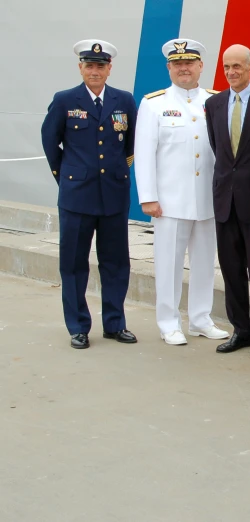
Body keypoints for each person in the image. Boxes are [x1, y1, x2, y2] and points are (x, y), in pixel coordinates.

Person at [41, 40, 138, 349]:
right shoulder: (64, 100)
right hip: (76, 196)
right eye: (89, 65)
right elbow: (49, 142)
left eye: (101, 66)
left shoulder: (124, 100)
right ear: (80, 67)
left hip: (113, 193)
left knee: (116, 263)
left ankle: (114, 323)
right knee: (73, 263)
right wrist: (68, 177)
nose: (95, 71)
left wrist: (118, 172)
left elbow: (130, 143)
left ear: (109, 69)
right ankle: (78, 326)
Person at [134, 39, 228, 346]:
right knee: (168, 265)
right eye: (177, 64)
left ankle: (200, 319)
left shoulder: (216, 100)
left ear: (201, 66)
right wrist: (148, 196)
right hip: (170, 201)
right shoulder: (154, 103)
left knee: (203, 263)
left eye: (189, 63)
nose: (183, 68)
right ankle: (168, 321)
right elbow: (144, 153)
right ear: (169, 68)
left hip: (207, 199)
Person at [204, 45, 250, 357]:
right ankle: (241, 329)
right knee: (232, 269)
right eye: (227, 67)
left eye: (238, 66)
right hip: (225, 201)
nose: (232, 72)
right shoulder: (214, 104)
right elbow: (219, 150)